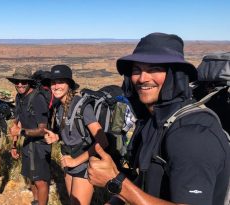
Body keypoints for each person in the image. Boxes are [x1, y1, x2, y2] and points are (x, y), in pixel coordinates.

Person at [87, 32, 230, 205]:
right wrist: (117, 200)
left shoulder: (192, 133)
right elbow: (146, 179)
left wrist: (116, 182)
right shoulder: (152, 122)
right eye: (136, 70)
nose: (142, 78)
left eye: (154, 69)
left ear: (175, 74)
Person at [43, 65, 109, 205]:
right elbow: (71, 131)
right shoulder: (59, 106)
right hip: (69, 162)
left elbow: (103, 141)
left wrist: (76, 161)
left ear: (69, 85)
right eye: (53, 83)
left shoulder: (82, 106)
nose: (56, 86)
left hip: (84, 163)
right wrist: (57, 137)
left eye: (60, 82)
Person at [7, 67, 51, 205]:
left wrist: (20, 132)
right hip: (27, 143)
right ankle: (36, 201)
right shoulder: (19, 97)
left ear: (29, 82)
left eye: (23, 81)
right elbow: (16, 123)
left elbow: (43, 130)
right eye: (17, 82)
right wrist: (14, 145)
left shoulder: (37, 99)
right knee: (31, 177)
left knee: (41, 181)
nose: (20, 84)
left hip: (39, 146)